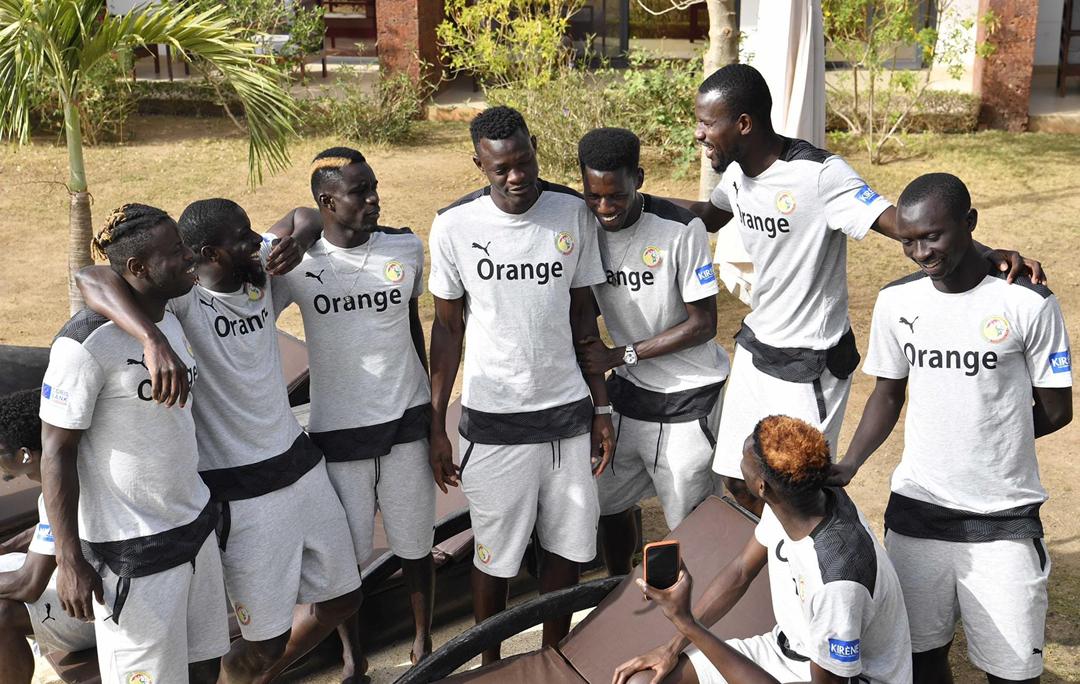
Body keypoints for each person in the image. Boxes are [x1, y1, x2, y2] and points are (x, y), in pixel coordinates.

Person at [677, 64, 1042, 513]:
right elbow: (709, 216)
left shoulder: (819, 175)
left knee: (796, 493)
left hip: (809, 363)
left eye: (706, 122)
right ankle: (762, 578)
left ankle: (820, 576)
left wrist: (983, 251)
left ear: (744, 124)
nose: (699, 133)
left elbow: (897, 222)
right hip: (756, 351)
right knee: (738, 479)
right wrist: (635, 202)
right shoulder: (736, 176)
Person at [75, 199, 363, 683]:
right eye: (242, 238)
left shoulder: (258, 273)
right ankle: (245, 675)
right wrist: (152, 339)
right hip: (243, 496)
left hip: (301, 468)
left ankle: (259, 676)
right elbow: (90, 277)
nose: (256, 242)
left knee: (343, 597)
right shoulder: (186, 301)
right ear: (209, 254)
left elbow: (303, 215)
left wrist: (293, 242)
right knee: (264, 640)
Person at [829, 173, 1073, 684]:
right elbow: (887, 393)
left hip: (1002, 519)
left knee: (1011, 672)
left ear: (970, 225)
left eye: (933, 236)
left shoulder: (1027, 303)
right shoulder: (898, 303)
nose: (920, 252)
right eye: (909, 240)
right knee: (919, 659)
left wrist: (989, 435)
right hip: (917, 513)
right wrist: (850, 462)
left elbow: (1056, 410)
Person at [427, 105, 615, 663]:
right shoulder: (454, 226)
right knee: (495, 557)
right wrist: (436, 424)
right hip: (494, 424)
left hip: (569, 418)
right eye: (501, 168)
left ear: (534, 148)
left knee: (569, 549)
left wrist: (601, 409)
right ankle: (491, 663)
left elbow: (586, 320)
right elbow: (445, 330)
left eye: (524, 161)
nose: (516, 176)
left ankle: (556, 656)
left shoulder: (572, 214)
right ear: (479, 163)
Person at [39, 204, 229, 683]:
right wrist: (69, 561)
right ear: (138, 268)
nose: (190, 257)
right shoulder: (83, 345)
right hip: (131, 556)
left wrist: (153, 337)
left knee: (204, 670)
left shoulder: (171, 318)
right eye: (175, 252)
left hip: (194, 529)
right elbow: (55, 453)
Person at [268, 147, 437, 678]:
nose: (373, 199)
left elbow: (412, 326)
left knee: (416, 546)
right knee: (346, 562)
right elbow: (254, 259)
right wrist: (296, 226)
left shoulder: (405, 247)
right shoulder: (300, 264)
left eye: (374, 187)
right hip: (338, 433)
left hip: (406, 422)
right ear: (326, 202)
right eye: (358, 192)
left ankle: (424, 642)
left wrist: (431, 408)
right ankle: (352, 656)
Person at [613, 415, 912, 684]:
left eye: (746, 456)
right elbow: (741, 571)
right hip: (784, 651)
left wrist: (687, 623)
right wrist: (671, 647)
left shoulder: (837, 581)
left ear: (761, 486)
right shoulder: (798, 497)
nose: (740, 456)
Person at [575, 128, 729, 575]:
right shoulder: (581, 224)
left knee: (688, 526)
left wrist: (620, 355)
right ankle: (618, 584)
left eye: (616, 196)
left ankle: (694, 620)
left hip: (688, 396)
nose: (604, 209)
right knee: (604, 500)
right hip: (629, 396)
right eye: (593, 196)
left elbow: (703, 325)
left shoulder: (682, 229)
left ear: (638, 178)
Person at [0, 388, 96, 684]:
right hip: (84, 588)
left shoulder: (65, 488)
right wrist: (5, 546)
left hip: (93, 612)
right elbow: (48, 528)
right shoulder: (69, 469)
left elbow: (28, 585)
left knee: (1, 612)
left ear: (25, 455)